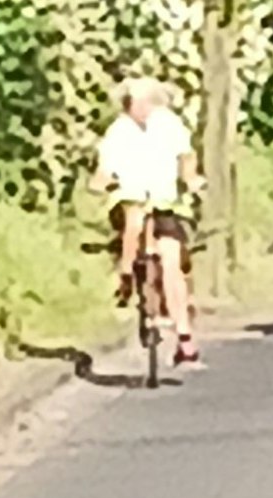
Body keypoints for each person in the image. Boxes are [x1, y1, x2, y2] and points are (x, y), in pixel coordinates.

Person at [89, 76, 205, 367]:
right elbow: (105, 167)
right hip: (130, 197)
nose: (137, 107)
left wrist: (190, 177)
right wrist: (101, 181)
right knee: (134, 215)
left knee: (171, 260)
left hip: (165, 199)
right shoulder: (118, 132)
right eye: (131, 102)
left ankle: (184, 335)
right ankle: (127, 274)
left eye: (142, 101)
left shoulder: (168, 124)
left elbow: (186, 155)